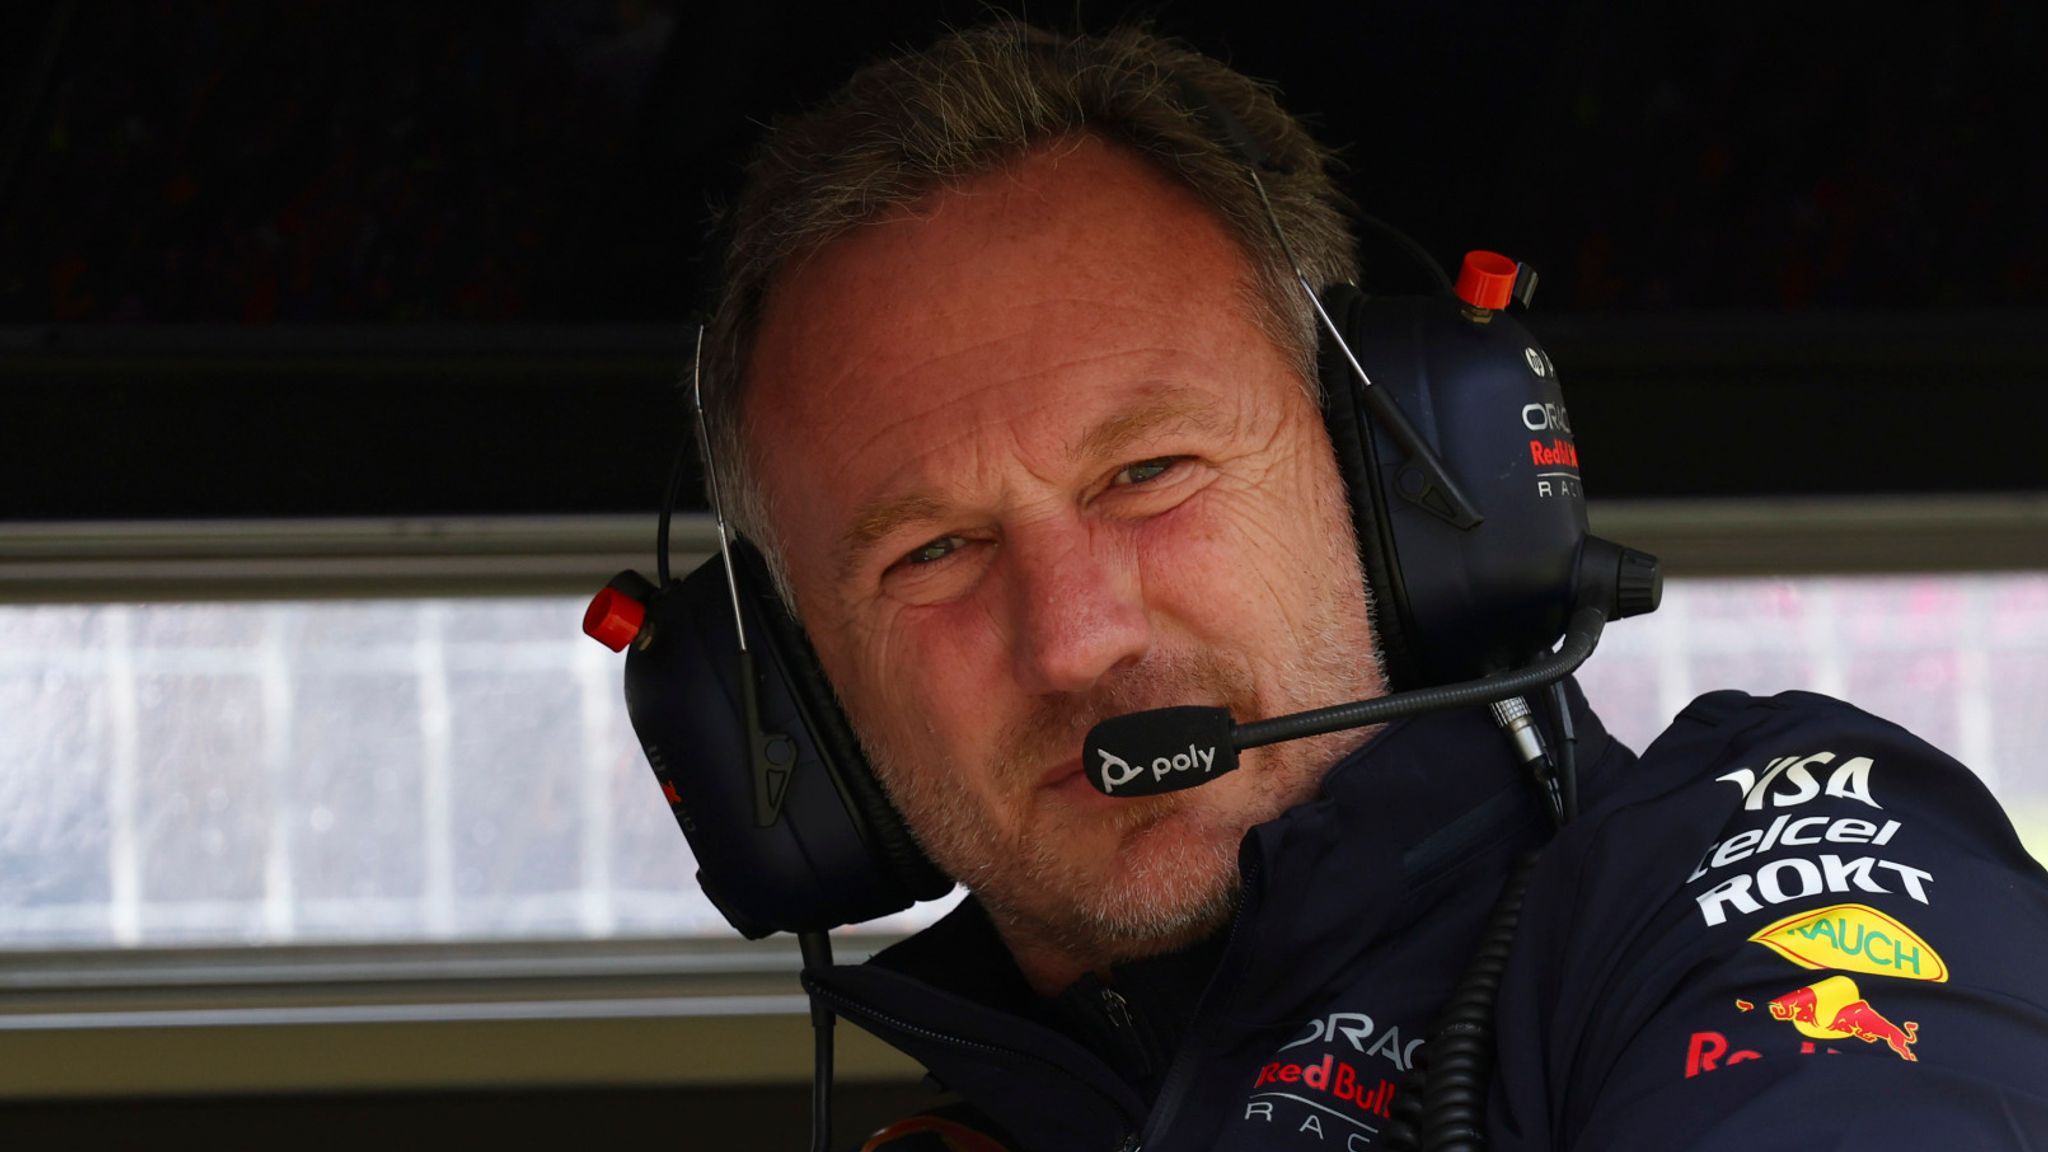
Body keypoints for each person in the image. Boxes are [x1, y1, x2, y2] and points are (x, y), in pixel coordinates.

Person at [691, 20, 2048, 1151]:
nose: (1075, 641)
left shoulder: (1758, 888)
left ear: (1393, 474)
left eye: (1150, 470)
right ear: (793, 699)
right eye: (932, 553)